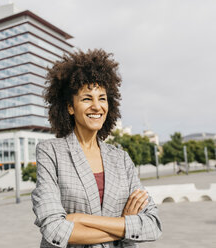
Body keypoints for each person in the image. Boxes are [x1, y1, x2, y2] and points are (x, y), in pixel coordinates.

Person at [32, 49, 162, 247]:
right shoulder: (50, 152)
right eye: (87, 98)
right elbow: (54, 228)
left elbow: (152, 225)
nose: (96, 106)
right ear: (69, 107)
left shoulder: (121, 158)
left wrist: (80, 219)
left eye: (102, 98)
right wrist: (124, 226)